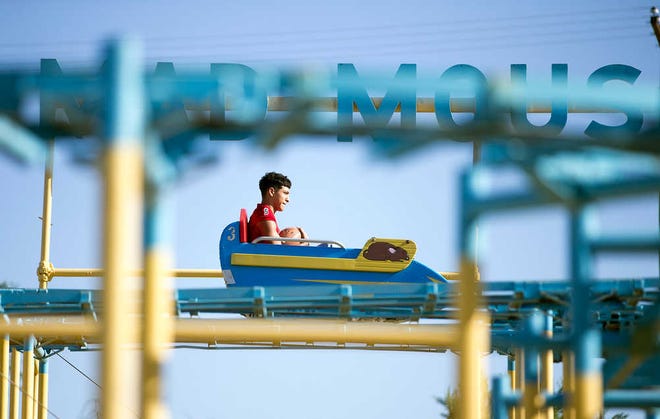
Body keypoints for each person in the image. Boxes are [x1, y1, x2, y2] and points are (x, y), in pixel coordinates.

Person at [248, 172, 308, 244]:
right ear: (271, 192)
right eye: (285, 193)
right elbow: (277, 247)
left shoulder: (265, 212)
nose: (288, 199)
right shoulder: (264, 212)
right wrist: (305, 243)